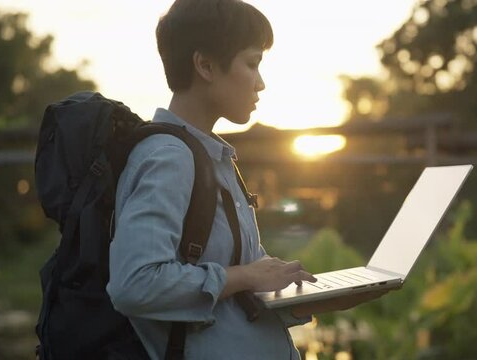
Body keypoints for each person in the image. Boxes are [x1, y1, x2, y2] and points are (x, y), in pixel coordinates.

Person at [106, 0, 386, 358]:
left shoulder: (211, 157)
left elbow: (235, 297)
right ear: (205, 65)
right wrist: (245, 276)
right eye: (252, 63)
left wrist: (319, 297)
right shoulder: (169, 158)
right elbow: (135, 283)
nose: (261, 83)